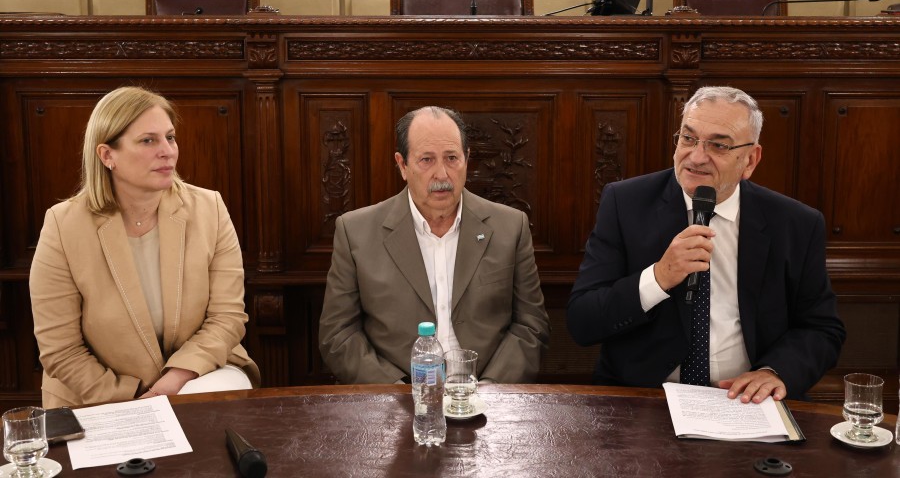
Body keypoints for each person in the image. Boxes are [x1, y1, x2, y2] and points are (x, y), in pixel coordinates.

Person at [568, 86, 845, 403]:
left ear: (751, 159)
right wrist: (658, 277)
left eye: (718, 145)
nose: (696, 157)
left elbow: (822, 329)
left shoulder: (796, 223)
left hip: (744, 403)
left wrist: (773, 372)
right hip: (643, 397)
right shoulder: (625, 203)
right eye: (688, 138)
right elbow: (583, 321)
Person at [30, 86, 260, 407]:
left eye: (170, 137)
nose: (167, 151)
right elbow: (61, 349)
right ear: (107, 155)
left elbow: (227, 317)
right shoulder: (63, 224)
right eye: (148, 140)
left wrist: (175, 379)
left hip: (197, 376)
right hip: (98, 394)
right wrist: (137, 400)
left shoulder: (209, 207)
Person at [319, 106, 550, 384]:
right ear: (402, 165)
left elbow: (531, 326)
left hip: (488, 399)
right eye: (426, 160)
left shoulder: (510, 227)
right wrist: (398, 392)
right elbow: (338, 334)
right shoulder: (355, 232)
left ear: (467, 159)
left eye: (452, 158)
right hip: (395, 403)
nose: (442, 174)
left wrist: (491, 389)